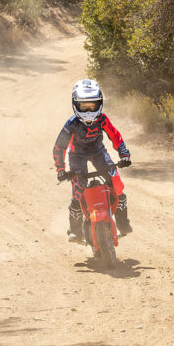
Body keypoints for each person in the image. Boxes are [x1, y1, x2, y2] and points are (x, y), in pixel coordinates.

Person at [53, 79, 133, 243]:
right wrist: (61, 170)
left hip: (98, 152)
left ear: (100, 103)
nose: (89, 110)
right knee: (78, 190)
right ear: (76, 104)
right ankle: (75, 231)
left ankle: (123, 222)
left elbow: (115, 136)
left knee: (116, 184)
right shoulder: (71, 125)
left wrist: (124, 155)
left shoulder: (102, 119)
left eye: (92, 105)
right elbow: (59, 148)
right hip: (77, 155)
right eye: (84, 106)